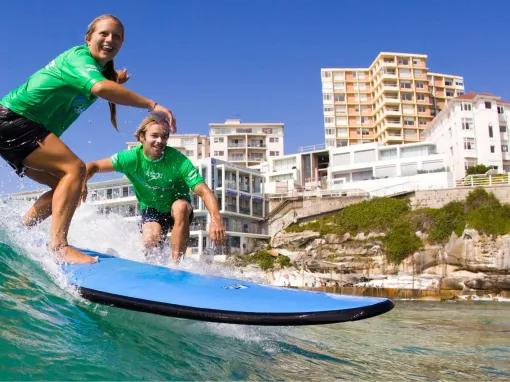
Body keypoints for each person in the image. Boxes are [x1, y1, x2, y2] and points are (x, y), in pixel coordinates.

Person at [0, 14, 176, 264]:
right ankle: (59, 246)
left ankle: (18, 232)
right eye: (103, 33)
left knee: (67, 185)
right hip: (15, 120)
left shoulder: (100, 70)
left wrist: (117, 79)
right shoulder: (78, 58)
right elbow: (100, 88)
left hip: (16, 126)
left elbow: (106, 83)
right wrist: (151, 104)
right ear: (88, 38)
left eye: (116, 36)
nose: (109, 39)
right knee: (75, 169)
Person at [85, 116, 226, 263]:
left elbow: (204, 191)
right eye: (154, 136)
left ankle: (177, 265)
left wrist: (216, 220)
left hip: (178, 208)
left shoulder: (178, 160)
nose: (160, 141)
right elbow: (93, 166)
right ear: (142, 137)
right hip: (152, 208)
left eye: (164, 137)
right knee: (150, 240)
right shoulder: (130, 158)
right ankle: (152, 265)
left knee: (180, 207)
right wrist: (82, 182)